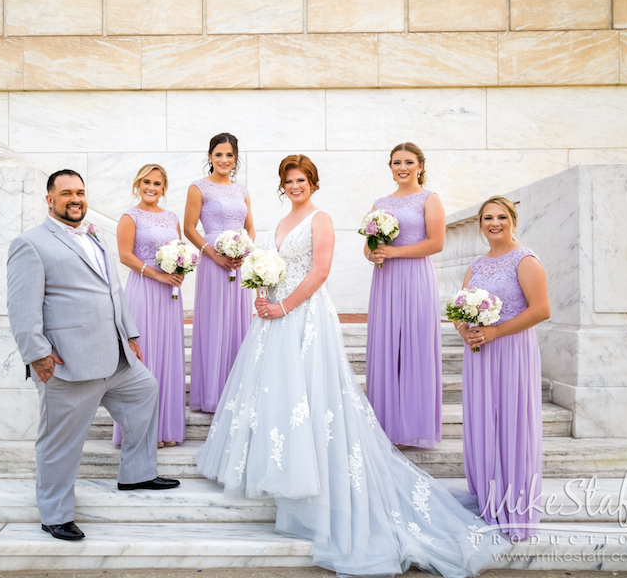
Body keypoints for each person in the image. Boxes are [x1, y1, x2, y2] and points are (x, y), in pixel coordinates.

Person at [196, 155, 509, 577]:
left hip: (304, 316)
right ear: (282, 186)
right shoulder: (281, 220)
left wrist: (284, 305)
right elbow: (277, 267)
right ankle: (282, 466)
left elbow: (320, 271)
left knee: (310, 394)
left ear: (313, 183)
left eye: (301, 180)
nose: (295, 186)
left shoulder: (320, 219)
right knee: (282, 393)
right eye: (288, 181)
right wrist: (262, 290)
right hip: (275, 315)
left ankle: (312, 477)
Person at [6, 169, 179, 542]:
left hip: (115, 356)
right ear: (49, 199)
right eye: (66, 193)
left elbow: (114, 289)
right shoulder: (30, 243)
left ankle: (137, 473)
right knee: (60, 442)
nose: (75, 199)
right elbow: (22, 308)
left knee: (145, 391)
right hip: (68, 364)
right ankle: (54, 514)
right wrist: (39, 357)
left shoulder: (94, 235)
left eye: (80, 192)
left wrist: (130, 333)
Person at [456, 196, 549, 540]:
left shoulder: (525, 260)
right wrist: (465, 331)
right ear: (480, 225)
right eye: (487, 218)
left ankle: (514, 506)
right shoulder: (476, 265)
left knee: (511, 423)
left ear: (512, 220)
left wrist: (494, 332)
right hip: (480, 355)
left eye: (501, 217)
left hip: (511, 351)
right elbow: (460, 311)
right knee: (483, 424)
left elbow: (541, 309)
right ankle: (487, 499)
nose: (494, 223)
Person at [365, 142, 445, 449]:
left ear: (420, 166)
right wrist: (373, 255)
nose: (402, 167)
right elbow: (368, 245)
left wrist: (395, 252)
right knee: (386, 345)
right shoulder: (380, 203)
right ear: (390, 167)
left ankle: (414, 425)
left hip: (415, 278)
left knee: (414, 345)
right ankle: (386, 425)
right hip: (386, 280)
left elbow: (436, 243)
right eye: (396, 162)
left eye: (408, 162)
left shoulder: (429, 199)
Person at [112, 164, 186, 448]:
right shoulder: (130, 217)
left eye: (157, 183)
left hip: (169, 296)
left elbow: (179, 252)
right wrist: (158, 274)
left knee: (167, 355)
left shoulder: (171, 218)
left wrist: (180, 271)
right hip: (143, 289)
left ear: (164, 188)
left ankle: (164, 429)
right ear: (137, 185)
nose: (151, 188)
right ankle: (141, 430)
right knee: (146, 355)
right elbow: (125, 255)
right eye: (146, 182)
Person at [184, 133, 255, 413]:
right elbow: (190, 228)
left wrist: (243, 250)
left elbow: (250, 227)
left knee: (238, 323)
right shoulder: (198, 188)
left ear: (235, 158)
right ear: (210, 156)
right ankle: (211, 393)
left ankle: (236, 390)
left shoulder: (242, 190)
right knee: (214, 323)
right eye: (218, 154)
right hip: (213, 263)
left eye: (229, 155)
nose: (224, 160)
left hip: (238, 263)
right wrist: (215, 255)